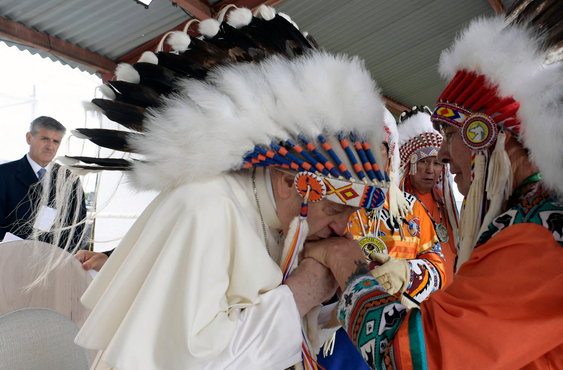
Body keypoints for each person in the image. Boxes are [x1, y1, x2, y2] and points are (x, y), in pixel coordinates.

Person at [303, 15, 563, 369]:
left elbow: (412, 356)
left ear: (491, 140)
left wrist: (351, 267)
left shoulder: (541, 234)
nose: (442, 156)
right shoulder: (555, 214)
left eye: (452, 135)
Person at [36, 6, 391, 369]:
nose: (344, 230)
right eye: (334, 210)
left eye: (351, 216)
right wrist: (300, 293)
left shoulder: (284, 219)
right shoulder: (205, 207)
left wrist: (333, 288)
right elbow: (193, 362)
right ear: (288, 182)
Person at [348, 110, 446, 306]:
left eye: (378, 147)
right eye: (361, 147)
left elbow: (438, 269)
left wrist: (407, 273)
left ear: (390, 153)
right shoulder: (333, 205)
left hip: (402, 317)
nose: (368, 156)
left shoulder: (413, 208)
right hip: (344, 320)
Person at [0, 116, 86, 249]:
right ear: (29, 138)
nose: (50, 146)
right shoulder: (4, 174)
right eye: (44, 139)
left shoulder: (70, 179)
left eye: (56, 141)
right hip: (12, 260)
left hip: (55, 262)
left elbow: (77, 227)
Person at [396, 107, 459, 281]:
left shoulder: (447, 206)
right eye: (424, 161)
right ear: (410, 164)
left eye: (437, 163)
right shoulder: (397, 205)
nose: (430, 170)